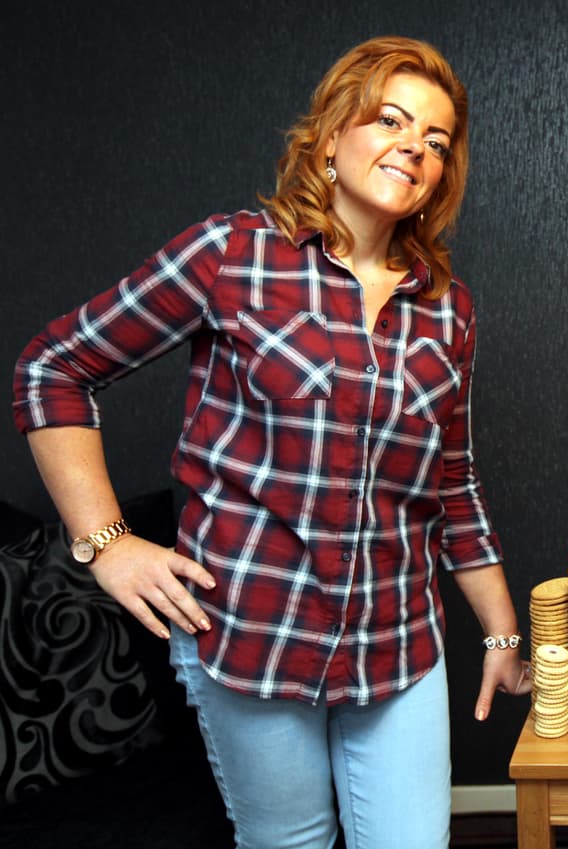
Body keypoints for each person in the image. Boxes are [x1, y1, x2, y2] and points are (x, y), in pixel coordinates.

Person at [12, 35, 529, 849]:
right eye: (391, 120)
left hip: (398, 646)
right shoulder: (233, 255)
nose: (415, 148)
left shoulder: (447, 309)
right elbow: (52, 370)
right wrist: (106, 543)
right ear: (330, 139)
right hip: (252, 637)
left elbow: (452, 483)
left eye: (435, 141)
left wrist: (500, 634)